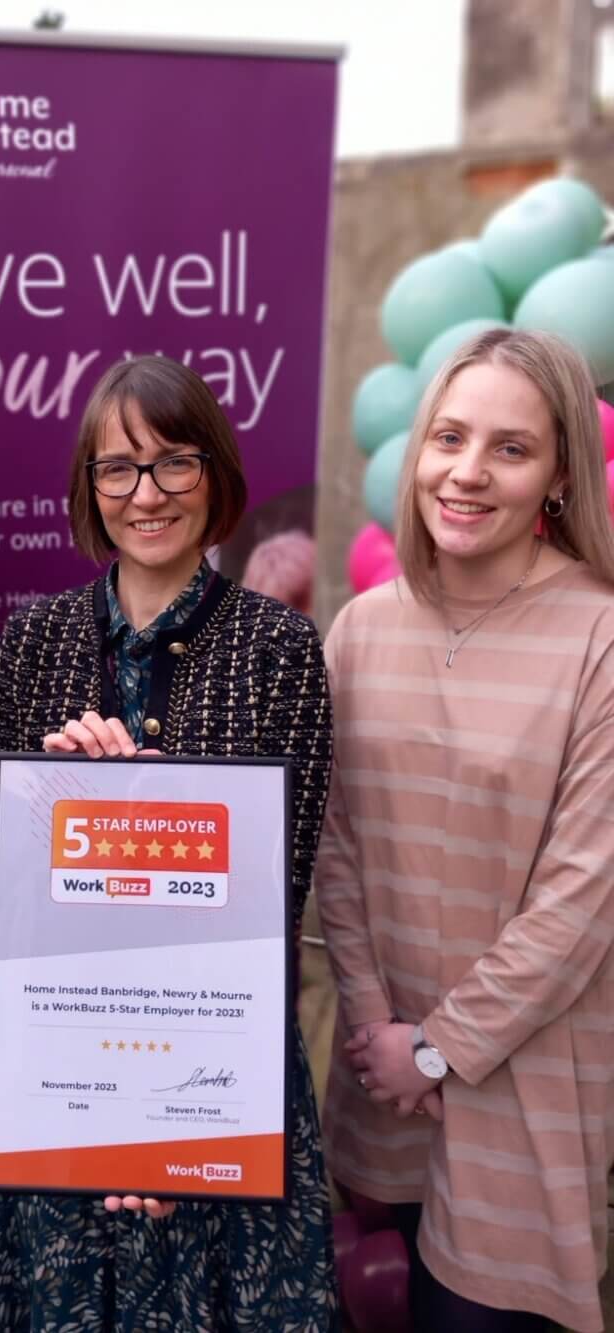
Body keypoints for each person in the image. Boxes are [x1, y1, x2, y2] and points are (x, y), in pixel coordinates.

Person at [0, 355, 338, 1331]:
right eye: (118, 467)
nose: (147, 493)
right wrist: (63, 793)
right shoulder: (34, 642)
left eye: (174, 462)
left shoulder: (277, 646)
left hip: (219, 1075)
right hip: (67, 1077)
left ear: (214, 475)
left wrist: (179, 1136)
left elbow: (276, 895)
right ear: (89, 487)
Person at [316, 328, 614, 1333]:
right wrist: (375, 1034)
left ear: (561, 473)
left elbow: (581, 900)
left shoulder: (598, 638)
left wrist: (438, 1050)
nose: (467, 473)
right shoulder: (359, 629)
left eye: (510, 448)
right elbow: (338, 850)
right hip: (379, 1073)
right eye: (448, 437)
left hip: (522, 1084)